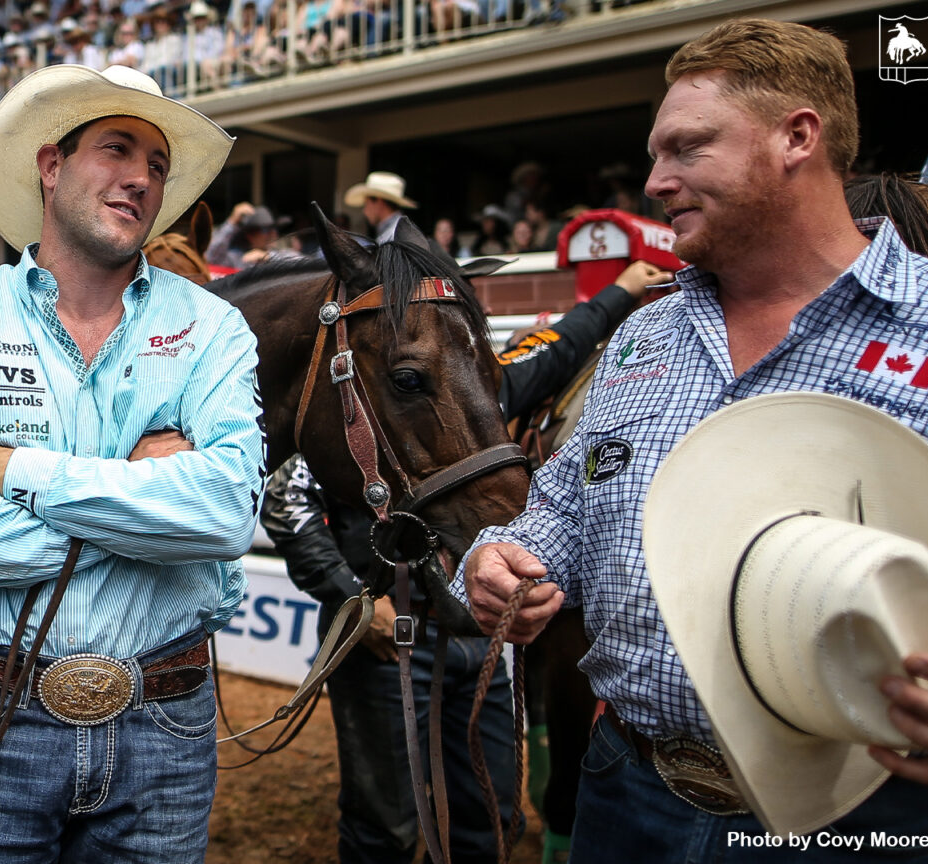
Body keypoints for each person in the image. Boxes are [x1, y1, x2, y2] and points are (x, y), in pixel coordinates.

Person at [457, 19, 928, 862]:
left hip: (867, 815)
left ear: (798, 137)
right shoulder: (646, 335)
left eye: (686, 149)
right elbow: (563, 511)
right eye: (657, 154)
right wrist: (505, 557)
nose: (656, 181)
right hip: (629, 790)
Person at [0, 64, 263, 863]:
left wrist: (15, 471)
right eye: (116, 149)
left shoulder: (215, 329)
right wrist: (146, 508)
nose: (140, 179)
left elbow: (226, 513)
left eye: (157, 166)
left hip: (164, 722)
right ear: (51, 167)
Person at [264, 259, 669, 864]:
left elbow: (567, 339)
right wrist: (349, 596)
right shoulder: (353, 396)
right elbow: (289, 500)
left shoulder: (480, 384)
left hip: (471, 637)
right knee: (388, 829)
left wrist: (624, 289)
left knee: (490, 816)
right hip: (380, 636)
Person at [206, 200, 294, 268]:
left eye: (274, 228)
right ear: (250, 235)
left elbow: (302, 262)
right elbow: (210, 257)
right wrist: (232, 222)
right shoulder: (238, 259)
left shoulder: (282, 255)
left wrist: (267, 257)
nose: (273, 233)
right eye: (265, 230)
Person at [343, 170, 418, 243]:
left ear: (379, 202)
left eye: (367, 204)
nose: (365, 211)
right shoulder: (397, 230)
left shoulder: (395, 235)